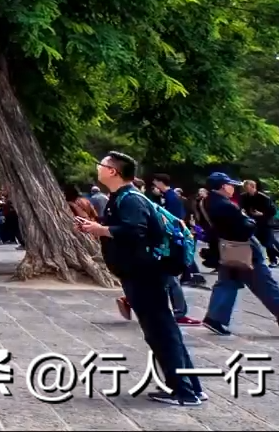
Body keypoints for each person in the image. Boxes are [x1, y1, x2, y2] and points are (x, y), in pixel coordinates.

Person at [74, 152, 203, 406]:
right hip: (140, 273)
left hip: (145, 274)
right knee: (164, 330)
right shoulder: (121, 197)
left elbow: (135, 231)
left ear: (113, 171)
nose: (98, 168)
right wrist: (96, 228)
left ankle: (184, 392)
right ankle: (191, 388)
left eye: (101, 165)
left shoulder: (130, 199)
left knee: (161, 332)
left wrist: (100, 230)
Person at [199, 173, 279, 337]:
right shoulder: (226, 205)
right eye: (230, 185)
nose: (233, 188)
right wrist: (250, 221)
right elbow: (245, 228)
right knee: (268, 288)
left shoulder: (205, 202)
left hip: (226, 249)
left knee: (227, 284)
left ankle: (215, 318)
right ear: (223, 186)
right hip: (244, 251)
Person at [241, 179, 279, 268]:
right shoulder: (244, 197)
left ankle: (274, 260)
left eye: (247, 187)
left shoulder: (263, 197)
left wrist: (262, 214)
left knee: (268, 242)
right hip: (253, 223)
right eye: (244, 188)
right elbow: (242, 207)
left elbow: (273, 211)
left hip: (265, 223)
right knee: (264, 242)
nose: (246, 189)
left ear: (253, 187)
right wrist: (243, 211)